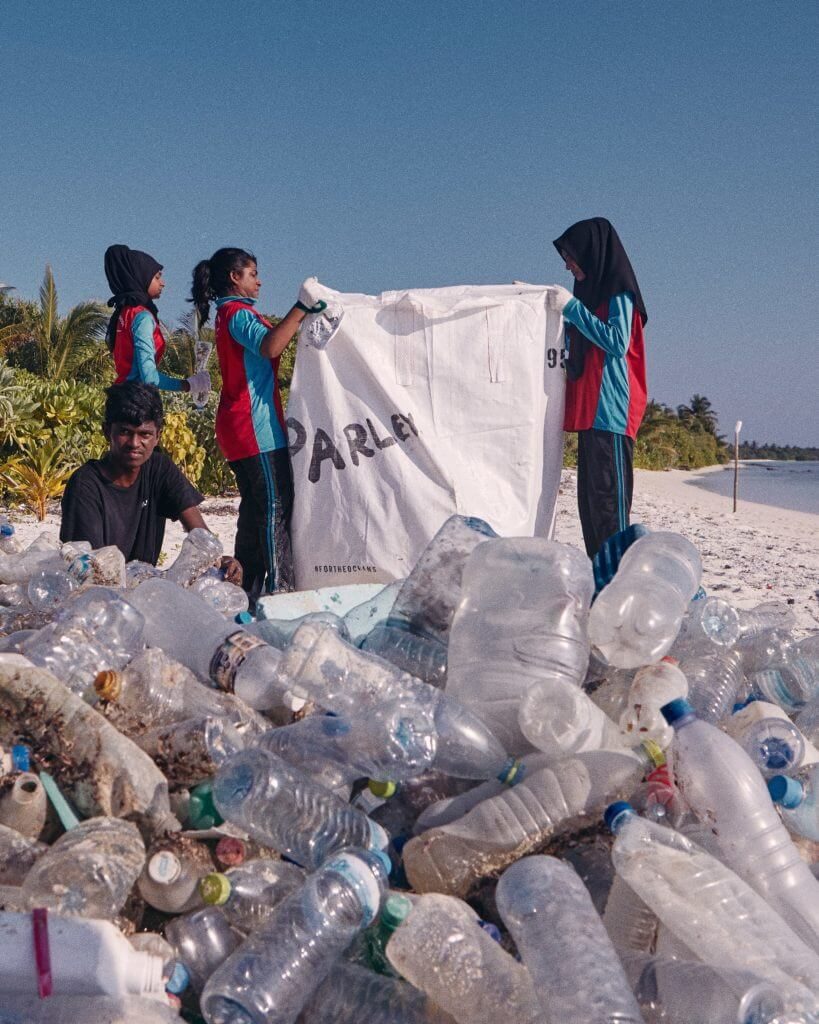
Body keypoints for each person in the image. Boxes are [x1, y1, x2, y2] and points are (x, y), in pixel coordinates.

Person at [190, 249, 328, 601]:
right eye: (253, 273)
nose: (259, 280)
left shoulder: (229, 314)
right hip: (254, 428)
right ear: (235, 278)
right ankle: (280, 591)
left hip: (240, 428)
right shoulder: (236, 314)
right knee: (274, 508)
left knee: (254, 512)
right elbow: (269, 347)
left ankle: (245, 592)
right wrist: (301, 308)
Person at [61, 381, 240, 581]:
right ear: (106, 431)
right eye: (124, 432)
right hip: (100, 595)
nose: (134, 443)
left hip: (141, 588)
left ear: (158, 436)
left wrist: (221, 561)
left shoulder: (159, 468)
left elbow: (200, 535)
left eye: (144, 434)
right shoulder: (85, 484)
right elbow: (91, 571)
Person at [548, 217, 647, 558]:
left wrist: (571, 308)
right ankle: (600, 581)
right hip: (590, 414)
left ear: (592, 252)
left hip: (611, 413)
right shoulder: (588, 298)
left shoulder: (620, 292)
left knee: (610, 511)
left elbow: (618, 342)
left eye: (571, 255)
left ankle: (619, 588)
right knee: (589, 509)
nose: (567, 264)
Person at [104, 244, 210, 396]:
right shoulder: (142, 318)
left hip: (118, 398)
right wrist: (189, 384)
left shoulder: (123, 313)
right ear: (141, 277)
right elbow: (149, 378)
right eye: (157, 277)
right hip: (136, 403)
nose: (163, 283)